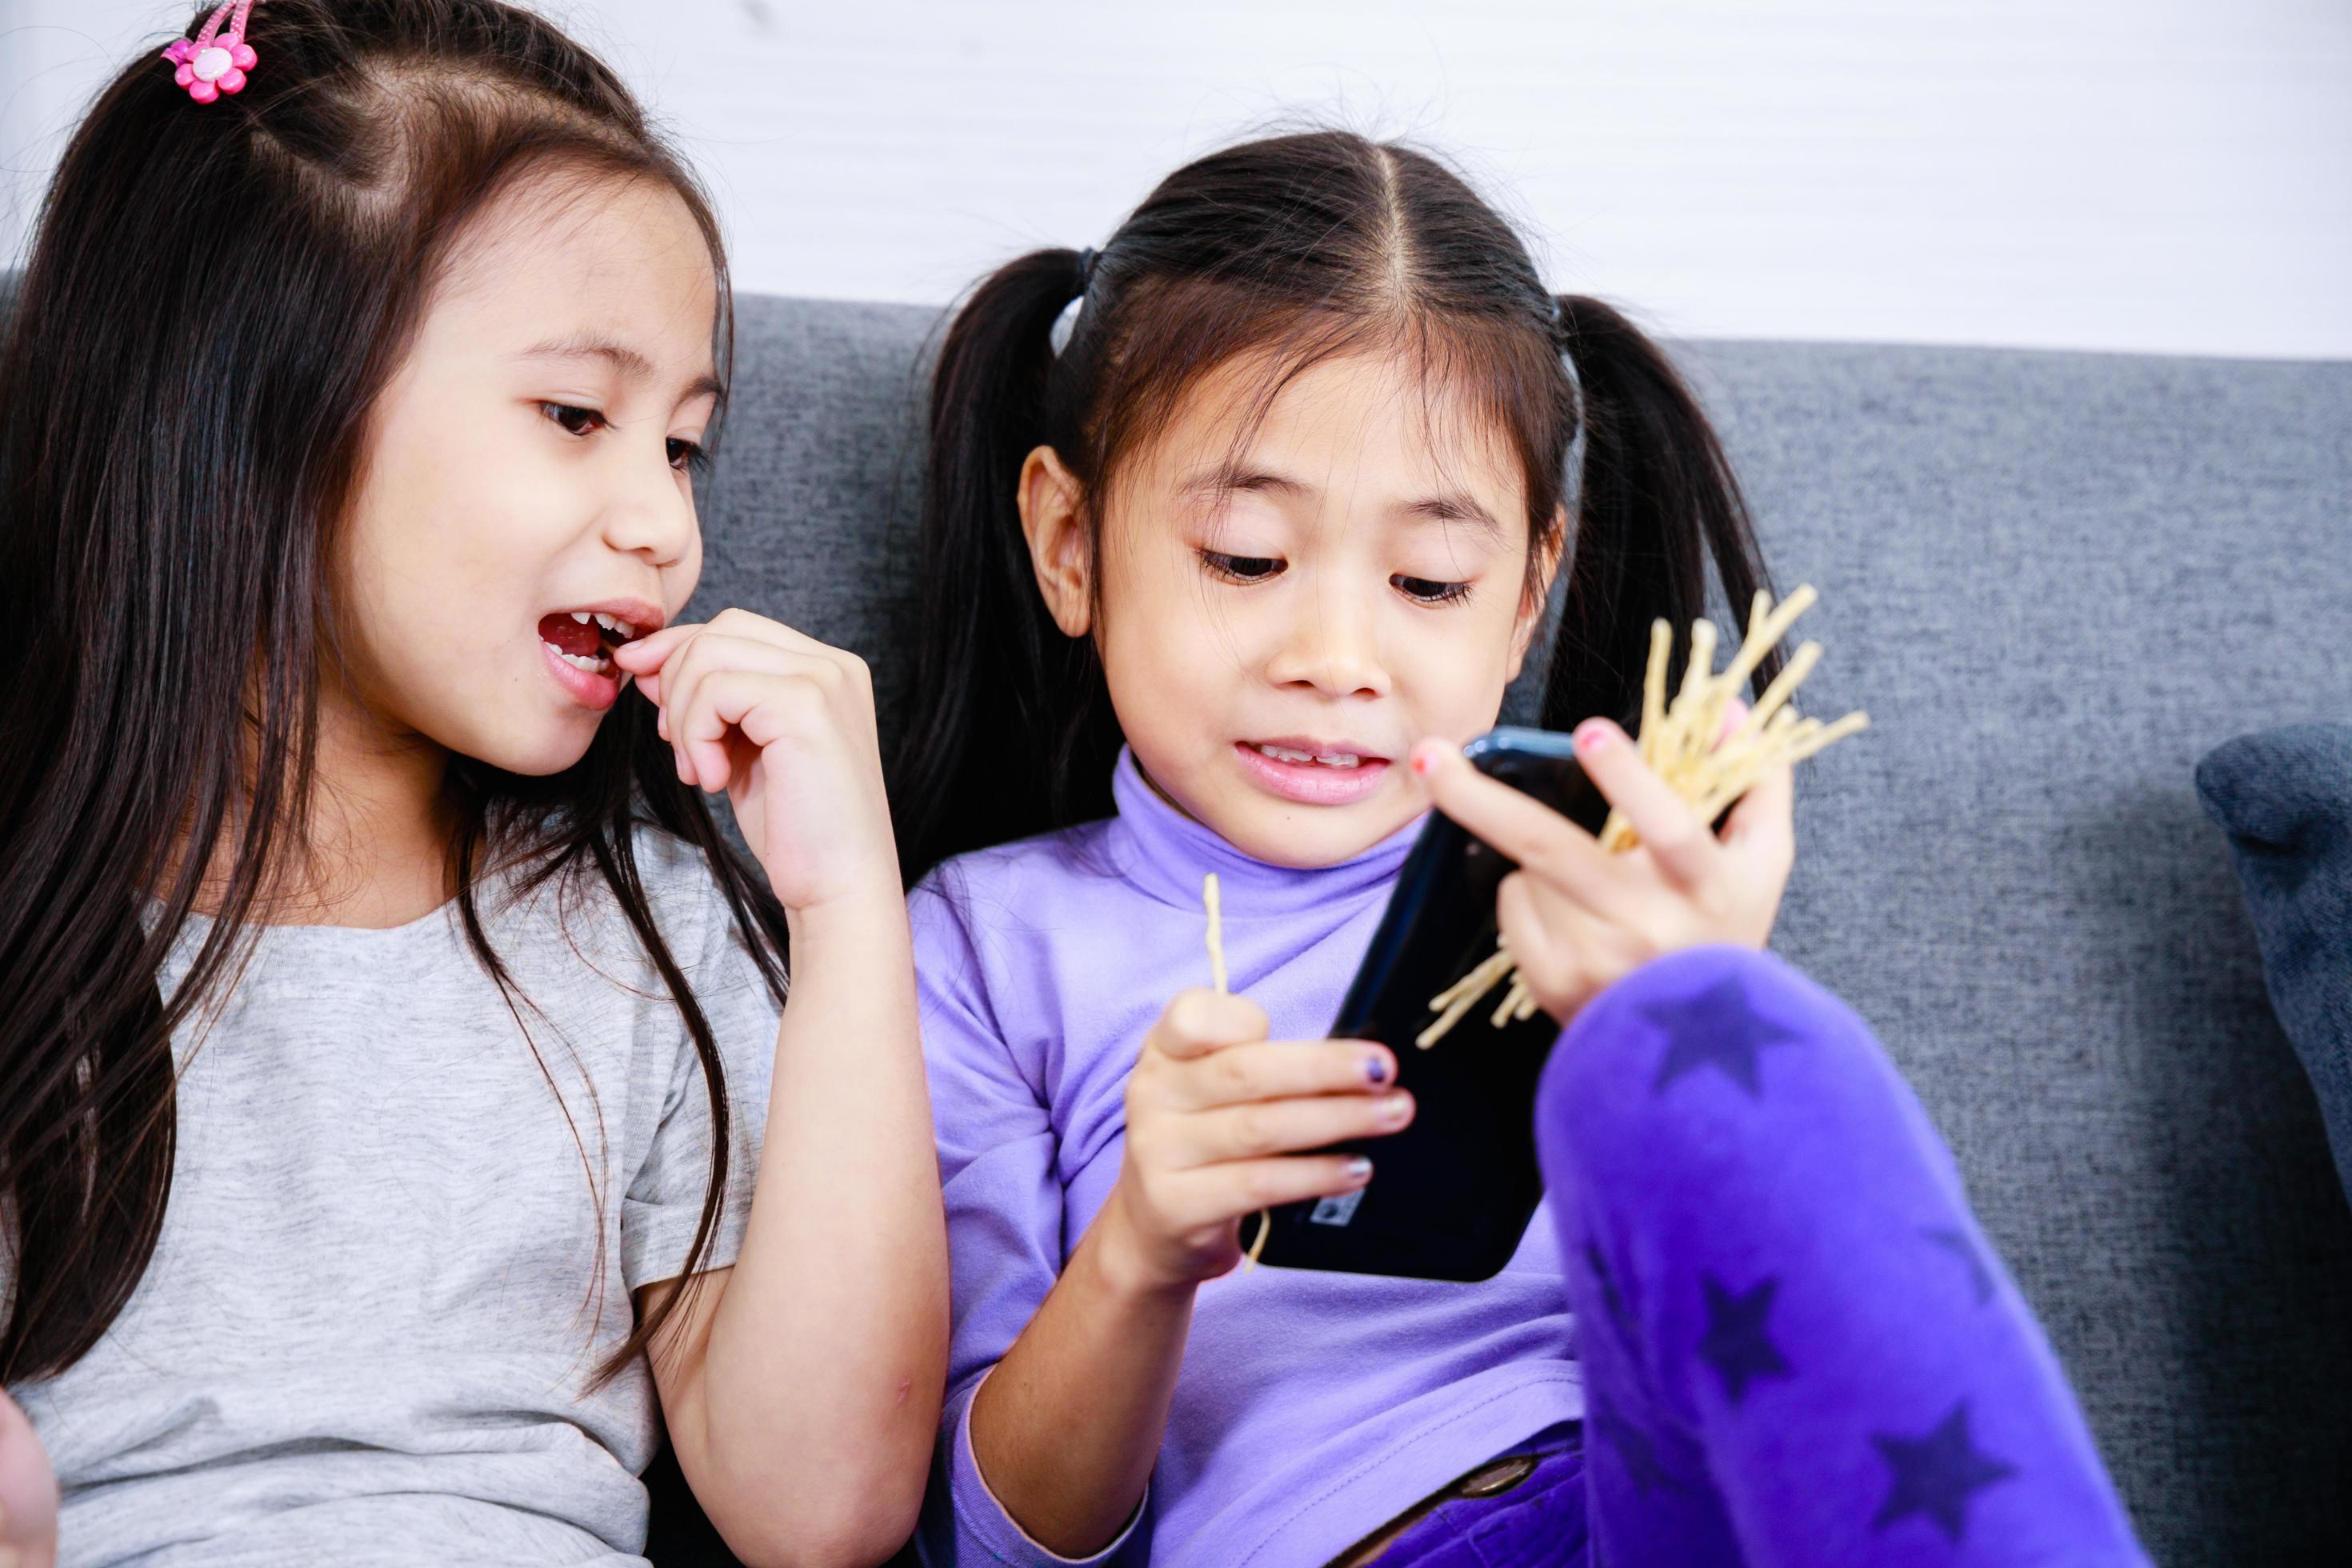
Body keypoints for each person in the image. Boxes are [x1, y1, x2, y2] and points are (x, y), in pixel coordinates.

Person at [893, 128, 2148, 1566]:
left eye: (1430, 581)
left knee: (1731, 1051)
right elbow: (998, 1542)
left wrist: (1686, 1004)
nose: (1335, 656)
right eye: (1245, 556)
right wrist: (1137, 1253)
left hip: (1654, 1506)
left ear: (1525, 595)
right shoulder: (986, 945)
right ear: (1069, 543)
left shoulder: (1590, 892)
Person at [0, 4, 944, 1562]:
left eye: (685, 444)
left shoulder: (642, 938)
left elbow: (824, 1509)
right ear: (260, 407)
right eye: (577, 414)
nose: (663, 521)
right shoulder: (33, 926)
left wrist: (845, 909)